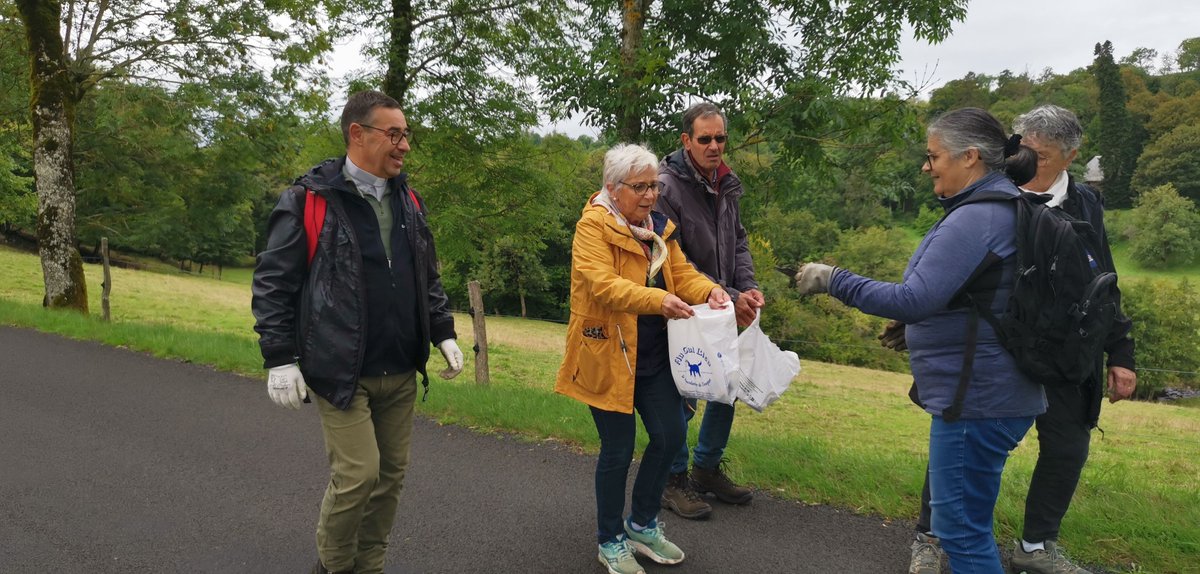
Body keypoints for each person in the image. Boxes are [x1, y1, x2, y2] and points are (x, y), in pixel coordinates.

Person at [794, 107, 1045, 574]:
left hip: (979, 398)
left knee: (961, 534)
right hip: (996, 392)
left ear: (969, 157)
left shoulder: (978, 218)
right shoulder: (1000, 205)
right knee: (969, 524)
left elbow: (914, 299)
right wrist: (922, 330)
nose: (926, 166)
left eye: (933, 156)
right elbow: (975, 296)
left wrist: (833, 279)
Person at [251, 90, 464, 574]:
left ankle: (369, 565)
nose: (404, 145)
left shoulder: (409, 200)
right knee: (358, 476)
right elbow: (273, 283)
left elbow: (426, 275)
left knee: (389, 479)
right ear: (357, 134)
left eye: (406, 135)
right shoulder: (309, 200)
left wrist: (441, 330)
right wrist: (279, 356)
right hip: (340, 369)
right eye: (394, 134)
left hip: (401, 370)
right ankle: (333, 565)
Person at [555, 143, 731, 574]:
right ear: (614, 189)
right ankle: (610, 539)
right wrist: (660, 299)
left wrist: (707, 289)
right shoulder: (592, 227)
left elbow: (682, 272)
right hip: (607, 354)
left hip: (654, 357)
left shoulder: (657, 229)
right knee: (618, 450)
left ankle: (642, 523)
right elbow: (602, 285)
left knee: (671, 437)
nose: (651, 195)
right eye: (640, 187)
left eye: (654, 185)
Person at [1004, 104, 1136, 574]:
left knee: (1067, 449)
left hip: (1066, 351)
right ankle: (932, 536)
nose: (1025, 161)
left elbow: (1104, 280)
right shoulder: (994, 196)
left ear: (1069, 156)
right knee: (974, 443)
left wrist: (1121, 352)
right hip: (1002, 347)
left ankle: (1035, 548)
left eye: (1038, 154)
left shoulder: (1086, 205)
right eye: (1019, 149)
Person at [656, 102, 765, 520]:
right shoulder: (667, 187)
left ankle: (705, 468)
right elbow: (670, 258)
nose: (715, 146)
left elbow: (738, 241)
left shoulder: (726, 182)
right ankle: (673, 478)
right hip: (685, 308)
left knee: (727, 386)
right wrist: (724, 294)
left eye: (721, 138)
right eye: (706, 139)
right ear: (687, 141)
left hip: (725, 303)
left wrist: (748, 288)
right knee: (685, 389)